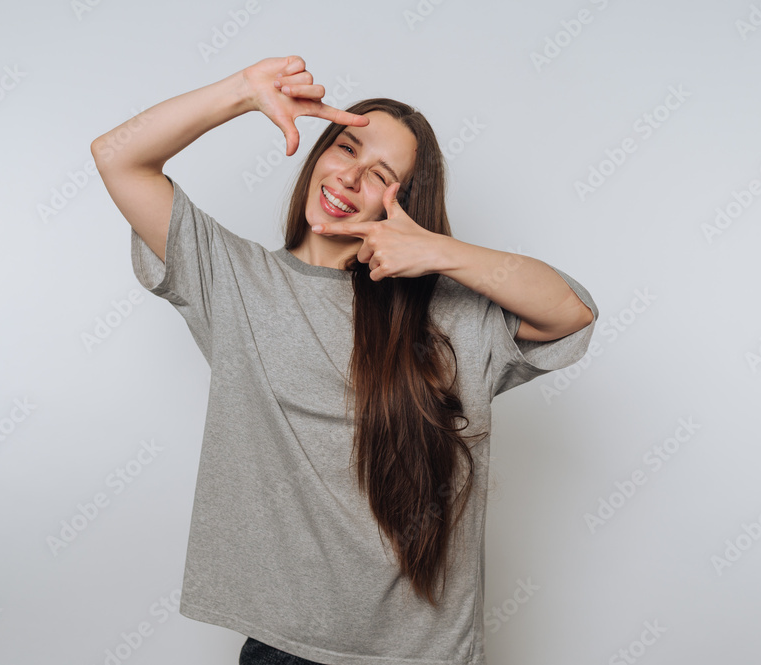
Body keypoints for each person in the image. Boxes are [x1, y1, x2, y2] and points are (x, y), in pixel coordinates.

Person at [92, 55, 598, 665]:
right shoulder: (233, 280)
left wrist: (439, 251)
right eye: (345, 149)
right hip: (289, 649)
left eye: (381, 174)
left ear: (401, 203)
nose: (350, 178)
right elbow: (118, 156)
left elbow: (569, 311)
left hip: (427, 654)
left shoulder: (444, 312)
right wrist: (241, 93)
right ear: (318, 151)